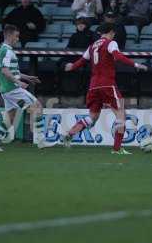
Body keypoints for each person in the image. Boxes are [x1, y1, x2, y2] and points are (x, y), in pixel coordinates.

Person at [61, 23, 147, 154]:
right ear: (111, 32)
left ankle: (70, 133)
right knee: (121, 114)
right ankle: (117, 149)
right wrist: (135, 64)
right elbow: (117, 56)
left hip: (93, 86)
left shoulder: (92, 46)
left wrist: (71, 66)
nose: (114, 35)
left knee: (93, 116)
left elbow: (81, 61)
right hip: (107, 84)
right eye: (113, 33)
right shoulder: (110, 43)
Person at [0, 25, 54, 151]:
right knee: (37, 107)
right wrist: (18, 82)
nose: (17, 39)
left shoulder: (5, 50)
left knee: (10, 118)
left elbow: (12, 71)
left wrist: (27, 77)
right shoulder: (6, 51)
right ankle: (41, 141)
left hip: (7, 90)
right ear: (10, 35)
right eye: (16, 36)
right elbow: (5, 71)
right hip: (12, 89)